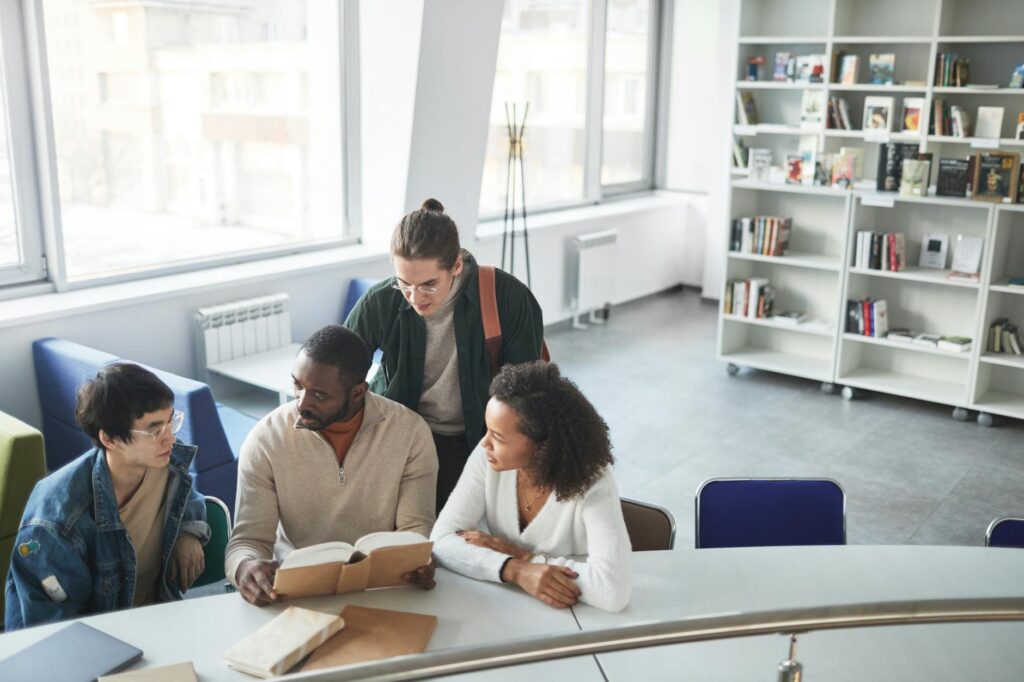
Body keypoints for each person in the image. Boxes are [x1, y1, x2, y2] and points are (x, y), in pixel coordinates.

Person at [345, 198, 545, 510]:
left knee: (456, 533)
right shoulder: (382, 300)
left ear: (456, 265)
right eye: (404, 284)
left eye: (428, 285)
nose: (415, 298)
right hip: (401, 435)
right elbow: (339, 366)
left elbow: (525, 393)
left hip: (477, 440)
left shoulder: (508, 298)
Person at [227, 325, 438, 605]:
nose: (302, 403)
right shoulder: (266, 439)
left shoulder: (410, 432)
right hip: (295, 592)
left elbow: (416, 527)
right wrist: (244, 567)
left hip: (384, 589)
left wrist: (418, 558)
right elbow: (247, 540)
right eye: (298, 386)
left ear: (357, 392)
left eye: (319, 395)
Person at [5, 364, 210, 631]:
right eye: (154, 430)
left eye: (172, 421)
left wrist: (188, 531)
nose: (169, 437)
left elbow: (186, 494)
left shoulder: (167, 460)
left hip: (157, 617)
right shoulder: (57, 520)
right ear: (110, 439)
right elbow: (53, 630)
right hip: (90, 642)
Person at [431, 361, 631, 612]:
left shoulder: (593, 482)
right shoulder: (487, 459)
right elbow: (441, 541)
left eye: (498, 437)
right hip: (507, 606)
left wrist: (525, 556)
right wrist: (516, 569)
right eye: (488, 431)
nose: (485, 443)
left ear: (543, 446)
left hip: (576, 613)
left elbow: (612, 590)